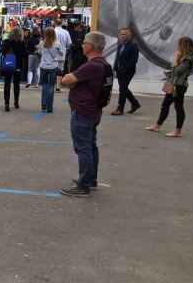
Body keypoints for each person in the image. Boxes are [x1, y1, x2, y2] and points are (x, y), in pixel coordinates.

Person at [59, 31, 111, 197]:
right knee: (90, 145)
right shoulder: (104, 65)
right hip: (93, 111)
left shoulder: (92, 65)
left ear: (91, 46)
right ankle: (91, 179)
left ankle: (84, 185)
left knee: (83, 148)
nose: (82, 45)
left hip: (83, 111)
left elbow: (66, 80)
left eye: (85, 42)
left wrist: (71, 81)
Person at [145, 37, 193, 138]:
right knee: (165, 105)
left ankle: (177, 131)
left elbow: (178, 71)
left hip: (179, 86)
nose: (177, 46)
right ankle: (157, 125)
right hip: (174, 84)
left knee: (178, 107)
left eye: (179, 44)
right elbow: (176, 71)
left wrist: (176, 59)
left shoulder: (188, 59)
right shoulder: (183, 57)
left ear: (184, 45)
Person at [112, 27, 141, 115]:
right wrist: (115, 68)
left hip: (128, 71)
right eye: (121, 34)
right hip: (119, 70)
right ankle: (135, 104)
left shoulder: (133, 46)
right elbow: (117, 58)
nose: (123, 36)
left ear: (129, 35)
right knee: (124, 88)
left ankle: (120, 109)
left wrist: (124, 69)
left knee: (122, 89)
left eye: (125, 34)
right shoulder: (120, 45)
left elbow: (134, 61)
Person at [1, 27, 26, 111]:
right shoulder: (21, 42)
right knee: (16, 84)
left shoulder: (7, 42)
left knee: (7, 83)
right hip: (18, 65)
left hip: (9, 64)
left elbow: (3, 52)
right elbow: (24, 54)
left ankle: (6, 103)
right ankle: (16, 102)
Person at [39, 27, 64, 113]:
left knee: (45, 86)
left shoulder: (42, 43)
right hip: (53, 66)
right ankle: (50, 107)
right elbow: (62, 53)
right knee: (51, 86)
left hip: (43, 66)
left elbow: (39, 52)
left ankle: (43, 105)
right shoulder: (57, 43)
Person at [54, 18, 71, 92]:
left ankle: (51, 84)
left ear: (55, 23)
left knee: (52, 68)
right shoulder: (66, 32)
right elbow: (69, 43)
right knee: (60, 69)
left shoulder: (52, 31)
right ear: (61, 24)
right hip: (62, 54)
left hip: (52, 53)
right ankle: (58, 86)